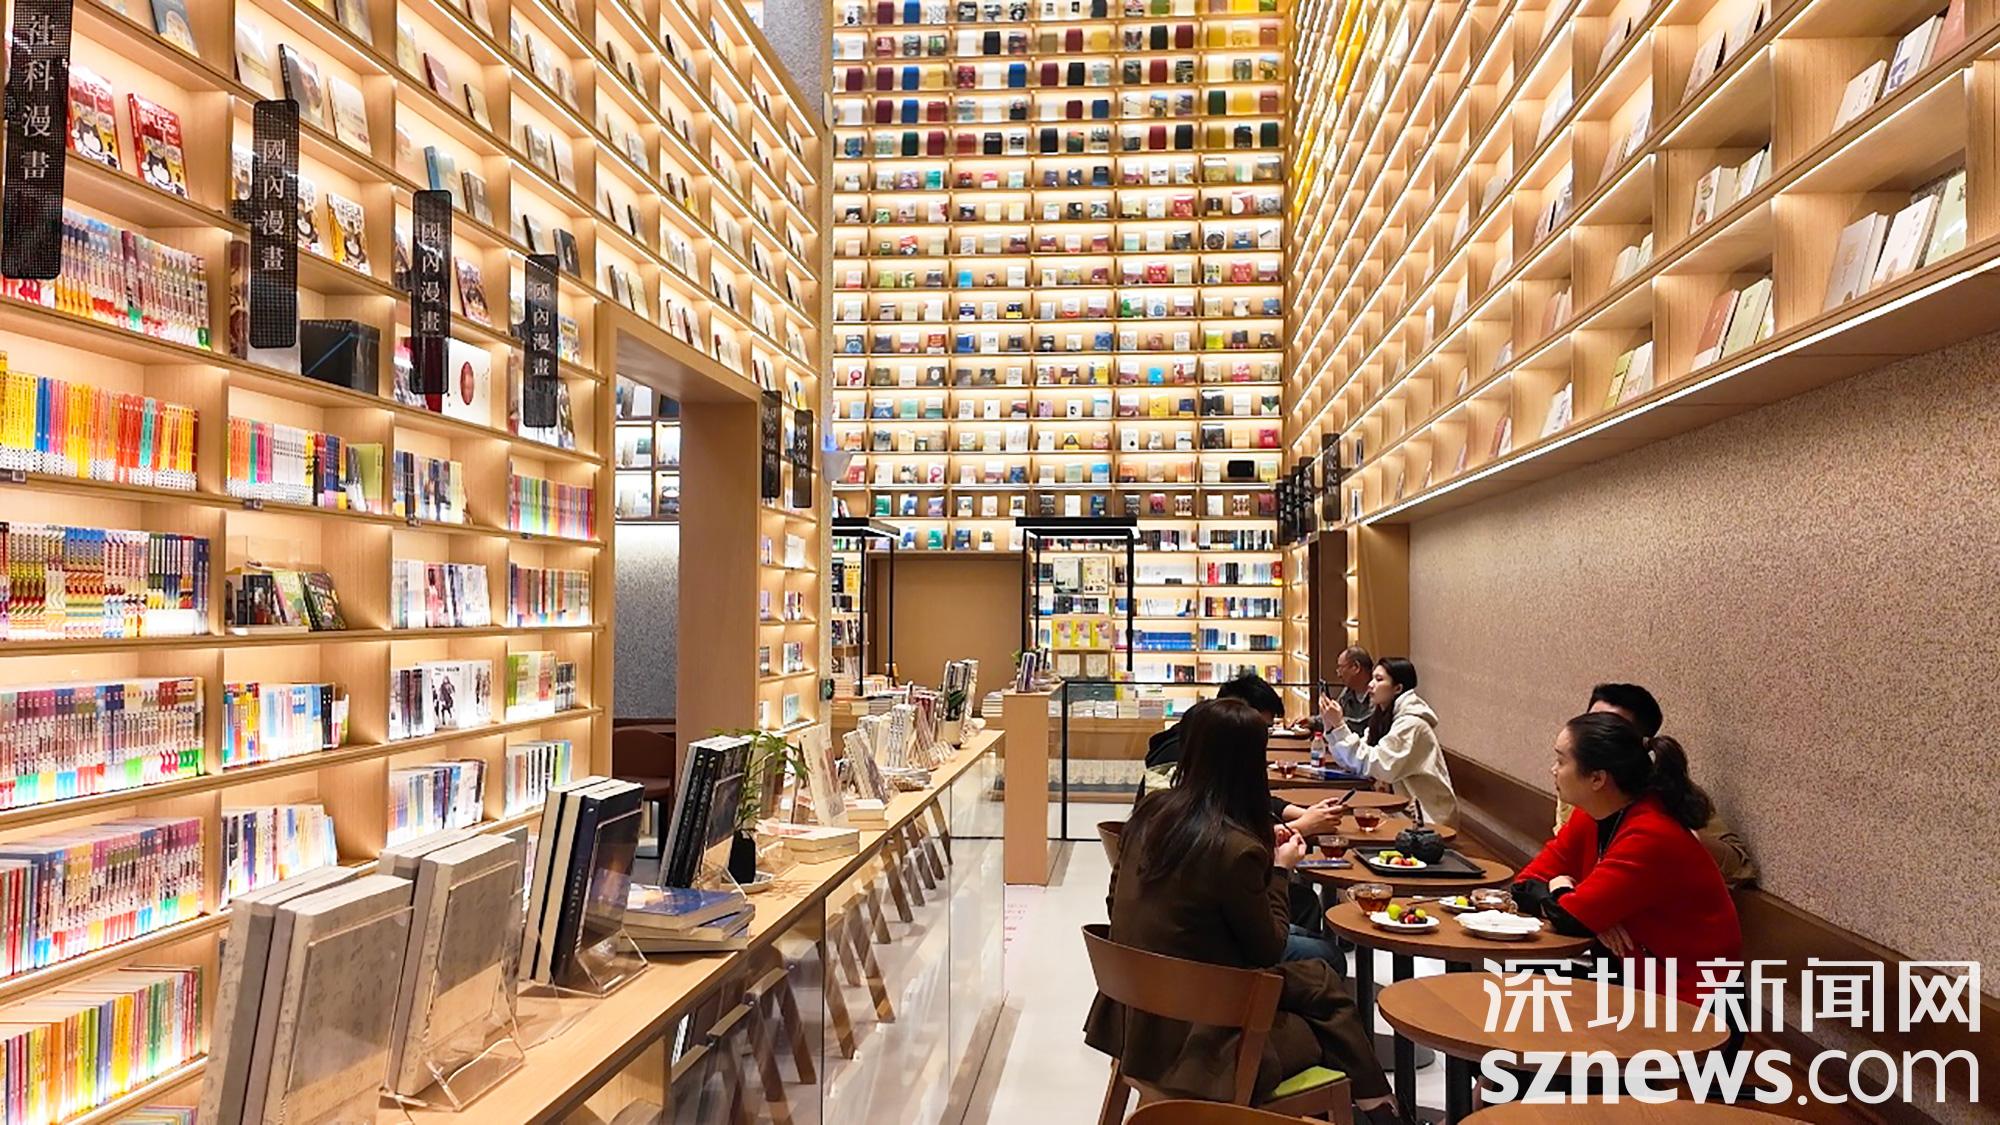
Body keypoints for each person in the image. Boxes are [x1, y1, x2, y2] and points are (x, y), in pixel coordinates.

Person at [1085, 699, 1402, 1122]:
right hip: (1204, 1045)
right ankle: (1380, 1108)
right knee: (1330, 1012)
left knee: (1318, 982)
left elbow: (1115, 904)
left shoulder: (1148, 815)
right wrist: (1280, 870)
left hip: (1135, 1024)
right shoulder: (1235, 849)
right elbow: (1267, 948)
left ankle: (1379, 1106)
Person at [1512, 712, 1743, 1006]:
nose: (1553, 770)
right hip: (1632, 979)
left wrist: (1565, 893)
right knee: (1501, 979)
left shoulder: (1650, 834)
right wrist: (1593, 916)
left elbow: (1570, 918)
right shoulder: (1590, 817)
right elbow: (1523, 885)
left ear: (1597, 778)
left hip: (1693, 1001)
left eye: (1561, 761)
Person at [1554, 683, 1759, 887]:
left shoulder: (1667, 792)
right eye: (1590, 724)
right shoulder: (1576, 785)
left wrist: (1678, 837)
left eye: (1609, 731)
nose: (1592, 735)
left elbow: (1740, 865)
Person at [1141, 672, 1349, 837]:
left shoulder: (1206, 742)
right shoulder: (1179, 760)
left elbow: (1243, 800)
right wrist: (1302, 826)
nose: (1262, 737)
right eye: (1261, 728)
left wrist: (1306, 814)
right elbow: (1215, 841)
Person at [1328, 658, 1458, 827]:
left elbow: (1378, 765)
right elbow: (1355, 760)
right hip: (1400, 809)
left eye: (1379, 679)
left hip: (1426, 819)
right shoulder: (1384, 717)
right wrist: (1330, 727)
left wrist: (1339, 726)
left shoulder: (1411, 724)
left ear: (1398, 688)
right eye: (1372, 678)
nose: (1370, 685)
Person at [1318, 645, 1375, 736]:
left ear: (1356, 667)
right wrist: (1311, 721)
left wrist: (1336, 720)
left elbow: (1362, 725)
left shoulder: (1377, 692)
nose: (1339, 674)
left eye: (1341, 667)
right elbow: (1333, 714)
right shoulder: (1348, 691)